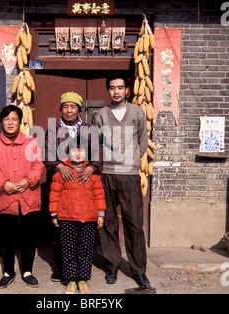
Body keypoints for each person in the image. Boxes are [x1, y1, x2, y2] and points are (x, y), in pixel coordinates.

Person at [93, 73, 151, 289]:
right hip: (106, 174)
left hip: (129, 174)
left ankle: (139, 271)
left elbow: (142, 141)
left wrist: (132, 161)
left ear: (127, 90)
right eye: (112, 88)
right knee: (108, 222)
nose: (116, 91)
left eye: (120, 87)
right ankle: (112, 266)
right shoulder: (101, 115)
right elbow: (96, 144)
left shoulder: (137, 112)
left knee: (134, 224)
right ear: (108, 90)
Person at [43, 91, 103, 282]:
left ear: (79, 109)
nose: (69, 111)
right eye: (66, 107)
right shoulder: (53, 130)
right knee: (61, 229)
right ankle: (60, 268)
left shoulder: (89, 129)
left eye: (73, 107)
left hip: (84, 184)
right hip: (63, 184)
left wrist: (92, 168)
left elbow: (98, 153)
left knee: (83, 231)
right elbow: (47, 153)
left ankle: (81, 268)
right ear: (61, 109)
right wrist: (59, 166)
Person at [0, 105, 44, 289]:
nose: (10, 123)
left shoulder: (30, 143)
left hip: (29, 195)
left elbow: (38, 165)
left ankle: (27, 271)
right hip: (6, 196)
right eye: (6, 119)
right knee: (6, 236)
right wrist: (4, 183)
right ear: (1, 122)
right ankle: (8, 271)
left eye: (14, 119)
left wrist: (28, 180)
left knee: (28, 235)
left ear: (20, 122)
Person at [49, 142, 106, 294]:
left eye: (82, 151)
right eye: (74, 150)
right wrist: (54, 213)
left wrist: (100, 214)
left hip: (88, 218)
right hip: (68, 217)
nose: (78, 154)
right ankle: (71, 281)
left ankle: (83, 279)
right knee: (68, 250)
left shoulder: (93, 174)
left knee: (86, 250)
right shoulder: (62, 173)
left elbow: (99, 195)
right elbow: (55, 194)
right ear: (68, 153)